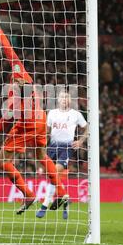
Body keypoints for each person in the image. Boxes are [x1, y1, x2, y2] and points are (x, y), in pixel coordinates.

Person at [0, 13, 68, 215]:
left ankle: (29, 194)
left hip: (28, 125)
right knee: (41, 155)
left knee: (1, 161)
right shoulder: (17, 82)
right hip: (40, 121)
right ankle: (61, 191)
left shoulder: (16, 89)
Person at [36, 90, 88, 219]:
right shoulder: (52, 113)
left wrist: (81, 141)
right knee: (53, 176)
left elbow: (88, 127)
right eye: (62, 97)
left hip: (66, 148)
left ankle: (45, 204)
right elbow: (46, 131)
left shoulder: (76, 114)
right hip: (52, 147)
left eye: (67, 98)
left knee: (55, 172)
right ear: (58, 100)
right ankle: (65, 199)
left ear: (70, 101)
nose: (64, 99)